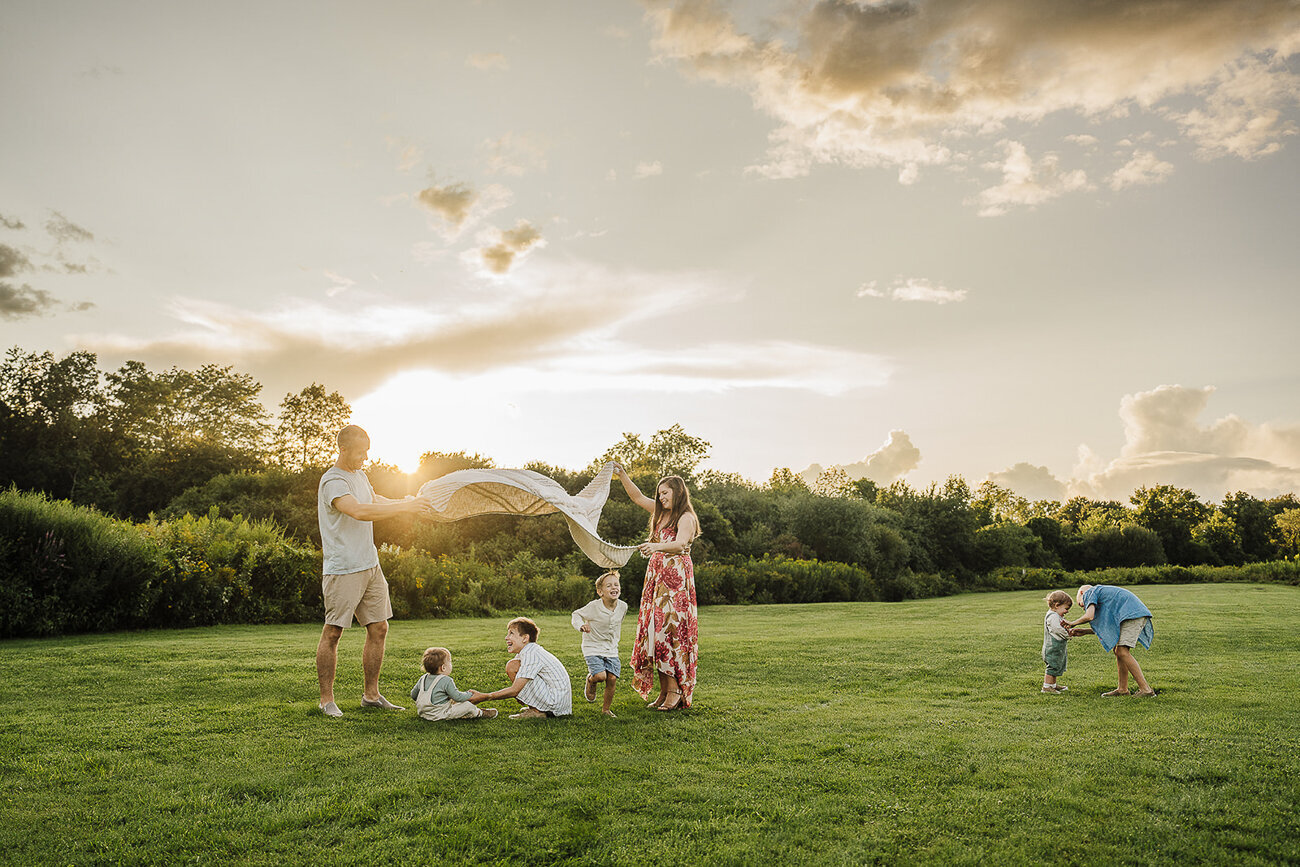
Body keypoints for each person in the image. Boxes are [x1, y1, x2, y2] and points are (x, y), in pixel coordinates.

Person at [315, 424, 433, 718]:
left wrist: (408, 504)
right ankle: (326, 700)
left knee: (379, 627)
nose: (365, 458)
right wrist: (406, 509)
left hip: (370, 564)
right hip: (343, 568)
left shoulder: (359, 476)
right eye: (360, 452)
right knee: (333, 633)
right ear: (343, 449)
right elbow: (359, 511)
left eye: (367, 452)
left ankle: (371, 695)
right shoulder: (333, 481)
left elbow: (373, 502)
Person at [613, 466, 699, 711]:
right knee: (654, 632)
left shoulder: (686, 517)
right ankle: (664, 691)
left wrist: (657, 546)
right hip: (657, 580)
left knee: (669, 632)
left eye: (665, 493)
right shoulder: (661, 515)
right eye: (659, 493)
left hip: (675, 584)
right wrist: (622, 475)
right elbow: (638, 497)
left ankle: (675, 691)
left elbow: (681, 543)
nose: (661, 498)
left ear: (678, 493)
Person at [469, 617, 572, 719]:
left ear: (525, 638)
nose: (506, 637)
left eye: (511, 633)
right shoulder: (527, 651)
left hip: (555, 704)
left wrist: (485, 696)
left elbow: (515, 690)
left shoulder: (531, 654)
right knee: (513, 666)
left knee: (513, 667)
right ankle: (535, 708)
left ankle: (537, 712)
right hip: (557, 702)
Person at [1066, 583, 1157, 697]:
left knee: (1122, 651)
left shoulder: (1090, 592)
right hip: (1131, 615)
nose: (1084, 608)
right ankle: (1122, 689)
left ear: (1081, 593)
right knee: (1118, 650)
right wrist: (1085, 631)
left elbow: (1089, 616)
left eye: (1081, 604)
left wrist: (1072, 623)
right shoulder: (1101, 595)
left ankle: (1146, 690)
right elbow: (1109, 626)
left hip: (1132, 615)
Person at [571, 570, 629, 717]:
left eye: (616, 584)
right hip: (592, 647)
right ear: (600, 592)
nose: (614, 588)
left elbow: (617, 624)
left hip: (611, 648)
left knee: (612, 678)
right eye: (609, 586)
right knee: (600, 676)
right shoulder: (594, 606)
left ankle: (606, 709)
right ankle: (591, 680)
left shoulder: (623, 607)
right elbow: (576, 614)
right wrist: (580, 626)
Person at [409, 647, 498, 721]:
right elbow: (458, 697)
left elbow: (413, 695)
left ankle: (465, 713)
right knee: (467, 705)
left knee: (453, 703)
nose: (451, 664)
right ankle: (480, 713)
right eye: (450, 662)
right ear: (443, 667)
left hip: (423, 713)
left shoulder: (423, 678)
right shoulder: (446, 680)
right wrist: (470, 694)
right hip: (439, 714)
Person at [1041, 590, 1089, 694]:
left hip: (1057, 648)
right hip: (1052, 648)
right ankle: (1046, 687)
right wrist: (1068, 634)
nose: (1067, 611)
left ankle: (1052, 685)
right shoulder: (1052, 616)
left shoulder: (1056, 615)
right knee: (1052, 666)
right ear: (1057, 605)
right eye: (1066, 608)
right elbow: (1057, 630)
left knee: (1057, 665)